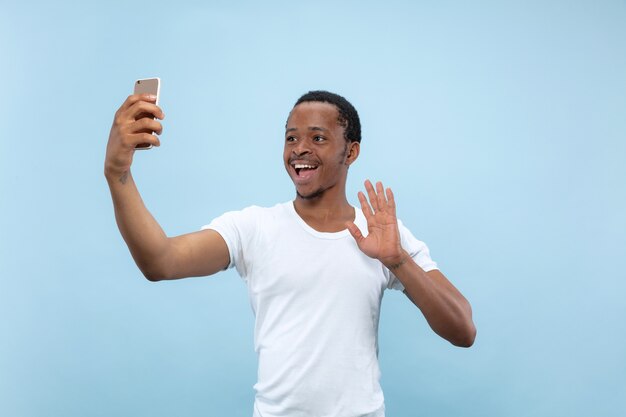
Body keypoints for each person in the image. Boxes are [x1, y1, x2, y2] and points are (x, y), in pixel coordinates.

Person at [105, 90, 476, 417]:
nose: (300, 149)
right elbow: (161, 261)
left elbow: (462, 329)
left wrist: (397, 260)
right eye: (291, 138)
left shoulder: (383, 234)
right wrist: (117, 172)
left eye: (318, 137)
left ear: (351, 151)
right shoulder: (254, 228)